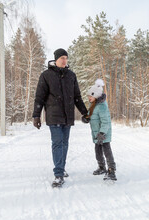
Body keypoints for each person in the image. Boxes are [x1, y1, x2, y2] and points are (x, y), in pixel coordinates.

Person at [32, 48, 88, 187]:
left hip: (68, 116)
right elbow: (39, 97)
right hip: (54, 115)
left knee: (64, 144)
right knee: (57, 143)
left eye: (66, 58)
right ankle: (58, 174)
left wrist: (85, 112)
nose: (64, 60)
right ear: (55, 60)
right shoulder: (46, 75)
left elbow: (77, 97)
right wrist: (36, 116)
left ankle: (61, 168)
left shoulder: (71, 75)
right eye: (62, 58)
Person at [82, 79, 117, 181]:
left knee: (107, 151)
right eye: (88, 96)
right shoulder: (94, 105)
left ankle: (111, 170)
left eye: (91, 96)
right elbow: (92, 117)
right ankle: (102, 167)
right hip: (97, 134)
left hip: (103, 134)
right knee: (98, 151)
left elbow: (105, 121)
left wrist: (102, 133)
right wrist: (86, 118)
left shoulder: (101, 106)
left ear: (96, 95)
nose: (89, 97)